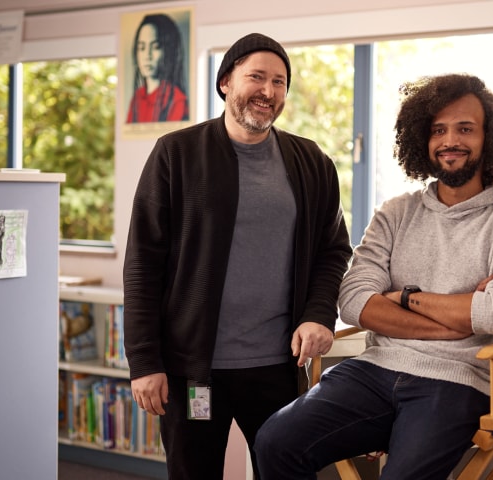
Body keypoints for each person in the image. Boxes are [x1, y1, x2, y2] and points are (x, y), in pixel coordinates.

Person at [255, 73, 493, 479]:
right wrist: (456, 320)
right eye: (438, 130)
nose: (450, 141)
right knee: (275, 441)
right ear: (422, 140)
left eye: (466, 129)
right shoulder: (396, 212)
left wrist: (402, 298)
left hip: (464, 381)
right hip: (375, 369)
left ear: (492, 137)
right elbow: (354, 300)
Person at [123, 32, 352, 479]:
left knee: (288, 471)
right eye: (257, 77)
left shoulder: (311, 161)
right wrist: (145, 361)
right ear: (226, 81)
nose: (268, 91)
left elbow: (332, 249)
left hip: (277, 365)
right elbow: (142, 263)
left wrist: (320, 314)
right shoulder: (177, 154)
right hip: (194, 369)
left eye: (280, 82)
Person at [126, 13, 189, 123]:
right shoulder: (137, 98)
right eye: (142, 48)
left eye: (155, 47)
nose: (147, 56)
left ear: (168, 50)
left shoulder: (177, 100)